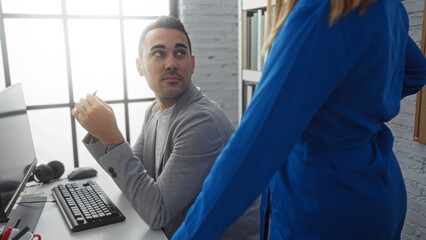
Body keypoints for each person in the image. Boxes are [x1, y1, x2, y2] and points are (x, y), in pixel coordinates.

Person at [171, 0, 426, 239]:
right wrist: (353, 108)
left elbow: (253, 152)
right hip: (381, 192)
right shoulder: (389, 6)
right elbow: (416, 72)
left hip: (323, 206)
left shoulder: (321, 11)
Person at [71, 16, 260, 239]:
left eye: (180, 53)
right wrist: (99, 132)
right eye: (159, 53)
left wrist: (110, 135)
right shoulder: (154, 111)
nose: (171, 63)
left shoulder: (201, 120)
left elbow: (156, 212)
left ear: (192, 64)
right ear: (140, 67)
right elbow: (134, 181)